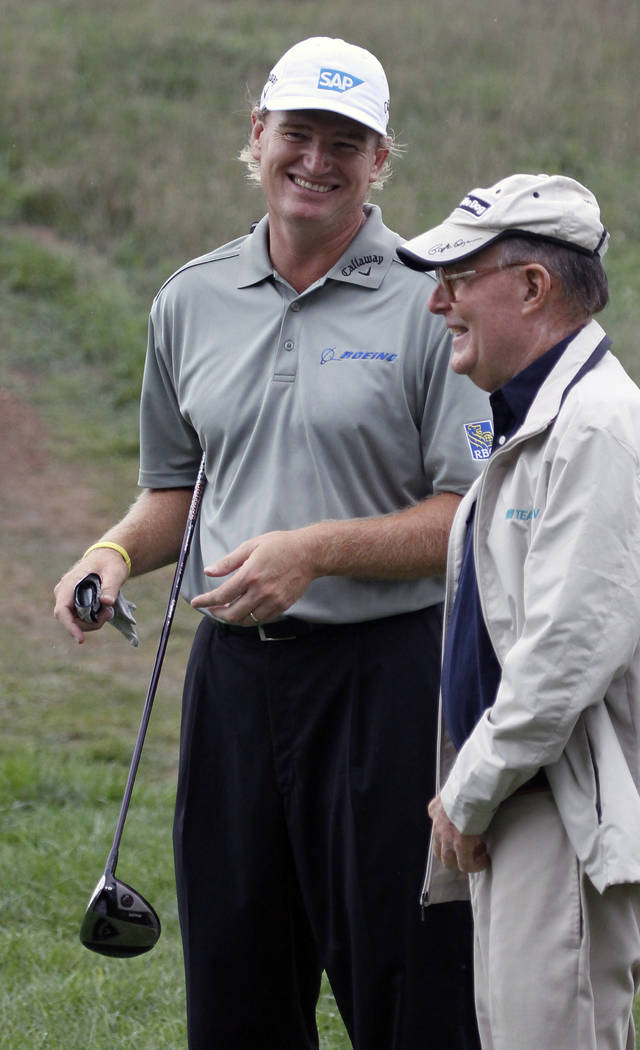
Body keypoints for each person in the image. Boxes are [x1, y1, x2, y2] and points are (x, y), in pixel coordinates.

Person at [53, 37, 490, 1050]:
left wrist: (319, 549)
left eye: (348, 141)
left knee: (408, 986)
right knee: (238, 982)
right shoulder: (190, 299)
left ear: (381, 160)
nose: (317, 160)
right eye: (298, 133)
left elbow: (469, 516)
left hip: (390, 680)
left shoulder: (435, 299)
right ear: (256, 138)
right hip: (235, 685)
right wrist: (113, 554)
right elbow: (174, 489)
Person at [396, 173, 640, 1050]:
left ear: (531, 287)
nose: (435, 303)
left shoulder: (597, 429)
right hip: (531, 810)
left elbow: (561, 659)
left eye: (457, 277)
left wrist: (466, 793)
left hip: (564, 822)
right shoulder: (535, 423)